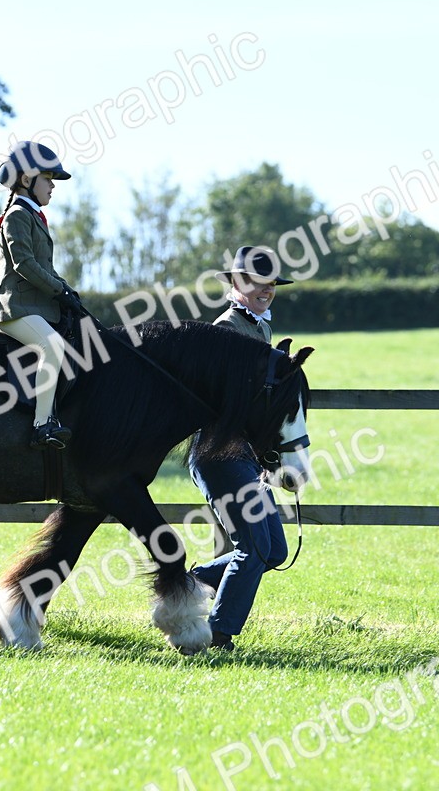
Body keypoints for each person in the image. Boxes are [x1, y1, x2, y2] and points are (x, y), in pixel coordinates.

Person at [189, 246, 295, 651]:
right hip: (219, 453)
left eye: (270, 285)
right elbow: (224, 398)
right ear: (236, 284)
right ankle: (217, 636)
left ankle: (191, 583)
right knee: (252, 549)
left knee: (274, 550)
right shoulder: (227, 328)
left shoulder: (261, 328)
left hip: (246, 456)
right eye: (255, 283)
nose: (265, 291)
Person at [0, 140, 83, 450]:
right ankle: (43, 425)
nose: (53, 187)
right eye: (48, 179)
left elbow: (44, 267)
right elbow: (24, 263)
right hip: (13, 308)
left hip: (34, 308)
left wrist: (67, 290)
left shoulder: (32, 216)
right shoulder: (17, 214)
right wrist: (58, 290)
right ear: (27, 180)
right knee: (52, 346)